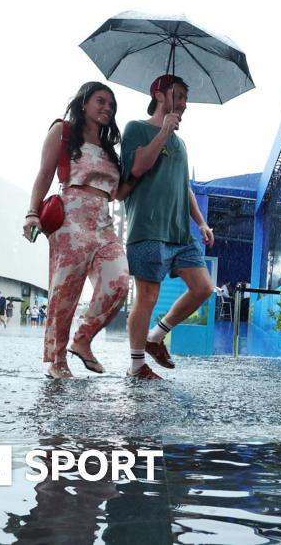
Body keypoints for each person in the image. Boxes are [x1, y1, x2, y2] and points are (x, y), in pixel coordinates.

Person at [24, 81, 131, 379]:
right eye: (101, 101)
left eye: (111, 104)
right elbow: (44, 174)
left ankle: (82, 339)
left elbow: (120, 191)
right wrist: (32, 213)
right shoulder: (63, 131)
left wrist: (153, 152)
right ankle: (57, 360)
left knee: (119, 281)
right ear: (84, 103)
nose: (107, 108)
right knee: (65, 292)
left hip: (103, 221)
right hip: (71, 218)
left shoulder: (111, 150)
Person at [120, 74, 215, 380]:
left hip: (180, 232)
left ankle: (156, 336)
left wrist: (201, 222)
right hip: (147, 227)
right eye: (179, 96)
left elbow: (183, 186)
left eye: (186, 98)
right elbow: (138, 167)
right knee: (147, 296)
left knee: (203, 288)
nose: (185, 104)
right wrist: (163, 132)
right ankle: (136, 366)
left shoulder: (181, 143)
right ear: (159, 94)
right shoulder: (136, 129)